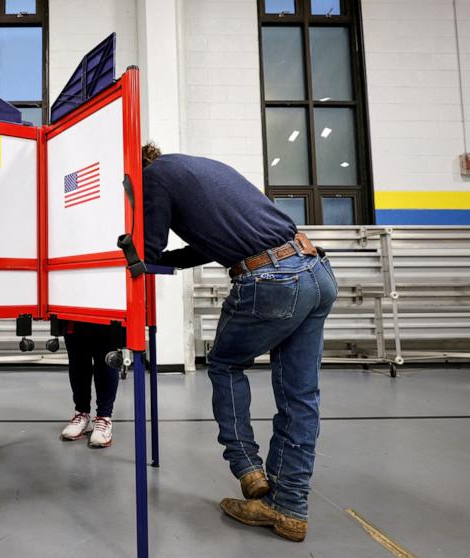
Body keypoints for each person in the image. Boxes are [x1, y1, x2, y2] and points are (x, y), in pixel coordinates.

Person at [141, 143, 337, 542]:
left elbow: (148, 248)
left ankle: (247, 467)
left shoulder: (153, 177)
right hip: (315, 269)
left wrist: (126, 249)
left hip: (274, 281)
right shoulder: (195, 167)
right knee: (301, 395)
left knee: (225, 365)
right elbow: (208, 244)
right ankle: (289, 509)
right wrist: (172, 263)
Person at [59, 321, 119, 448]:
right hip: (72, 307)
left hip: (108, 308)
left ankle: (104, 417)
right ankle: (82, 414)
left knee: (106, 358)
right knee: (77, 359)